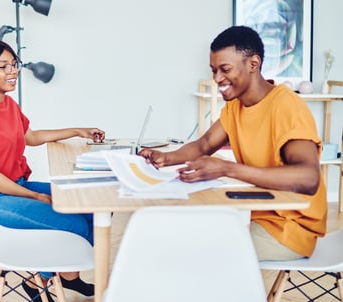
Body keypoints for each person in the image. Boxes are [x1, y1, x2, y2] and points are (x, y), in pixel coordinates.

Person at [138, 25, 327, 261]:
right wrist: (166, 158)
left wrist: (227, 168)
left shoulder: (287, 107)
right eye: (214, 70)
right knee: (178, 233)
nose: (217, 78)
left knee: (196, 253)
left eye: (224, 69)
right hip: (255, 215)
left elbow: (308, 179)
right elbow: (205, 144)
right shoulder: (236, 107)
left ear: (253, 64)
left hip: (290, 228)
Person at [0, 40, 103, 302]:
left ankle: (67, 275)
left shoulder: (7, 103)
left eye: (14, 64)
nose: (13, 71)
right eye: (4, 66)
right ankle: (36, 284)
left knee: (96, 205)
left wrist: (78, 130)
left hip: (15, 186)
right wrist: (33, 195)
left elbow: (31, 136)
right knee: (75, 226)